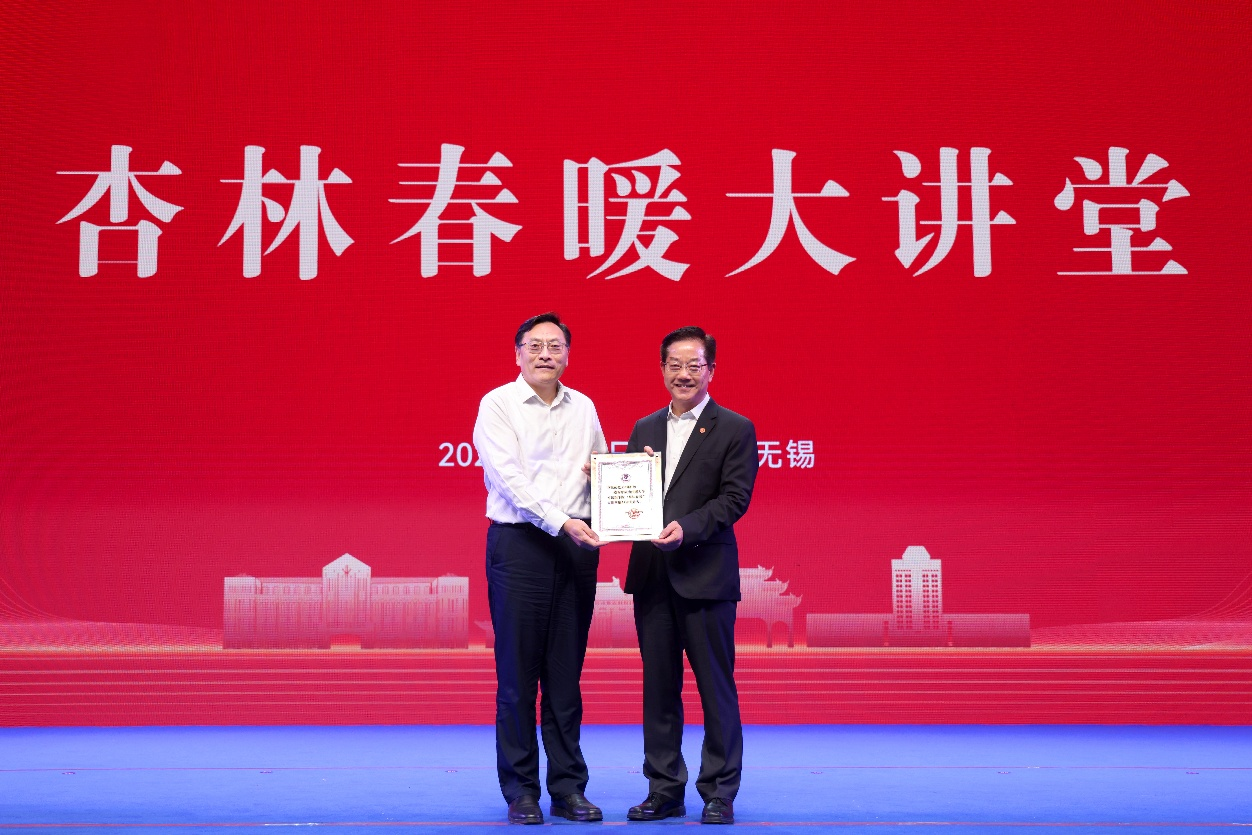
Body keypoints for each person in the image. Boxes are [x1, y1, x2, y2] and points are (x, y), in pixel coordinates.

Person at [472, 312, 606, 825]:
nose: (545, 354)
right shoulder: (497, 404)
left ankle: (569, 789)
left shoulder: (584, 406)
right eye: (535, 345)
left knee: (566, 677)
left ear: (568, 354)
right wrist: (562, 521)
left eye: (555, 346)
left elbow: (601, 469)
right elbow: (509, 481)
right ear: (518, 353)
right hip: (520, 546)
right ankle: (521, 791)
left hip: (576, 547)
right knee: (517, 677)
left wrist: (627, 478)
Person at [624, 326, 759, 825]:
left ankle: (719, 791)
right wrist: (608, 485)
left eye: (694, 365)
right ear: (662, 369)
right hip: (653, 577)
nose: (683, 374)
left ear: (711, 371)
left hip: (705, 575)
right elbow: (630, 497)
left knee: (715, 688)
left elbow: (734, 499)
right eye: (674, 365)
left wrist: (688, 529)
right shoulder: (643, 427)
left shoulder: (735, 427)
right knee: (659, 689)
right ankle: (664, 788)